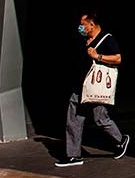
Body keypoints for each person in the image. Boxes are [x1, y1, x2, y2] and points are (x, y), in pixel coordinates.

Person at [55, 11, 129, 167]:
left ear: (91, 24)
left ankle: (121, 140)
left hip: (95, 87)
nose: (80, 27)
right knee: (73, 119)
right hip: (80, 87)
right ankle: (73, 155)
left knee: (100, 119)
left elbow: (118, 58)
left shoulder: (107, 39)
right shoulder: (84, 40)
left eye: (83, 24)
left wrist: (98, 57)